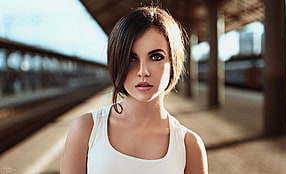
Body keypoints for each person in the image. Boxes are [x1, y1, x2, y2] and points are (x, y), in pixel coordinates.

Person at [61, 6, 208, 174]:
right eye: (131, 58)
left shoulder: (189, 145)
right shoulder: (87, 129)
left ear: (174, 62)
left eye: (156, 57)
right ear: (117, 61)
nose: (143, 71)